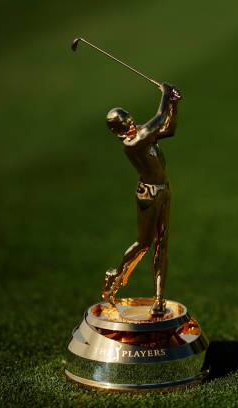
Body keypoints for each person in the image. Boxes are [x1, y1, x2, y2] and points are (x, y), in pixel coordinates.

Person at [102, 83, 182, 316]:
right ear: (118, 132)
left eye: (130, 120)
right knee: (144, 244)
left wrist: (174, 105)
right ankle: (116, 275)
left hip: (164, 189)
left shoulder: (140, 134)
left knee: (162, 244)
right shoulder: (132, 144)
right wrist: (166, 96)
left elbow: (169, 129)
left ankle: (159, 299)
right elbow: (157, 120)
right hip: (148, 193)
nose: (131, 126)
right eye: (125, 125)